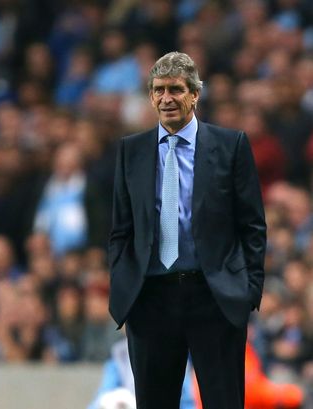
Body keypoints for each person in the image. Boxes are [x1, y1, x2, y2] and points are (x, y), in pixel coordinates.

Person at [109, 52, 266, 408]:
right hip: (150, 300)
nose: (167, 98)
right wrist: (124, 285)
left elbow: (253, 226)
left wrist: (248, 289)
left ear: (194, 94)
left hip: (214, 296)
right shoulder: (130, 151)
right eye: (159, 90)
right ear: (150, 96)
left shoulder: (231, 146)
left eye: (176, 89)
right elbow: (120, 230)